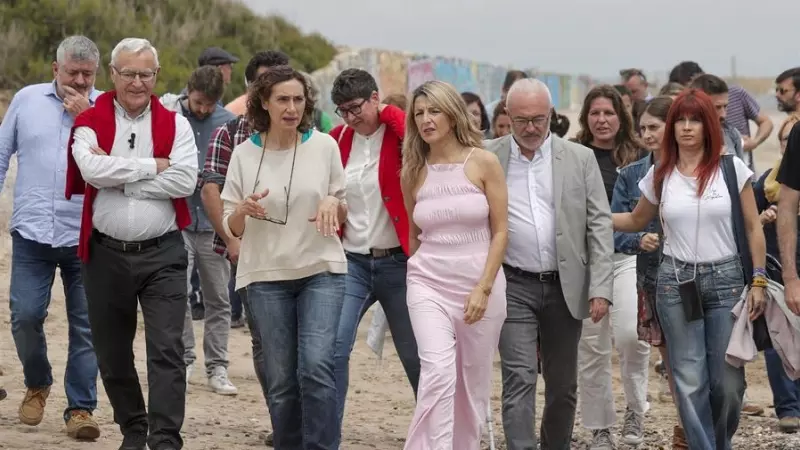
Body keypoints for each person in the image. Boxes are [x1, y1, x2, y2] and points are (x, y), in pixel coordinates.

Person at [613, 89, 767, 450]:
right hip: (674, 283)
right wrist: (594, 218)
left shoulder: (731, 168)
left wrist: (758, 279)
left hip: (727, 280)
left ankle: (717, 442)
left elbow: (752, 226)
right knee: (687, 378)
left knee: (728, 384)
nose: (685, 127)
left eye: (694, 119)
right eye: (679, 120)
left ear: (708, 125)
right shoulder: (659, 174)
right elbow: (637, 219)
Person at [66, 37, 198, 450]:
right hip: (104, 254)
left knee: (167, 350)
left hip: (163, 254)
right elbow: (89, 170)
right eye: (129, 73)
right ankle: (134, 428)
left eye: (146, 73)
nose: (138, 82)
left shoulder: (176, 123)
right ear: (113, 74)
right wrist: (149, 167)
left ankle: (164, 439)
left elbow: (185, 180)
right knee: (112, 353)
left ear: (156, 76)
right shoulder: (90, 119)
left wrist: (122, 180)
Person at [220, 65, 346, 449]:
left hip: (321, 270)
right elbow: (231, 227)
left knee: (316, 368)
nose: (292, 108)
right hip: (263, 277)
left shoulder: (325, 145)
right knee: (280, 381)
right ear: (264, 102)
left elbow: (342, 206)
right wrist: (242, 211)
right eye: (283, 100)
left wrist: (332, 202)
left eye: (298, 99)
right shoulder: (243, 154)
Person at [485, 78, 614, 450]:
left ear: (551, 116)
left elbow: (599, 224)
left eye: (538, 119)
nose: (530, 128)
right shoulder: (487, 156)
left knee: (562, 385)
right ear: (507, 115)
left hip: (565, 285)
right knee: (519, 376)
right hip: (512, 284)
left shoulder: (579, 158)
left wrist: (601, 287)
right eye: (522, 119)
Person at [0, 35, 102, 440]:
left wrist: (89, 116)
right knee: (24, 316)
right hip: (32, 233)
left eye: (87, 74)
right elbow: (1, 151)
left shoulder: (106, 108)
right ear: (54, 69)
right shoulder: (26, 100)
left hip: (87, 234)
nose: (79, 81)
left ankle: (80, 408)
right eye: (72, 72)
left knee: (87, 325)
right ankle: (38, 381)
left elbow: (115, 156)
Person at [400, 80, 508, 449]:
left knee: (472, 387)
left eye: (434, 111)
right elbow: (415, 236)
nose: (426, 120)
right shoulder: (413, 169)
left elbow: (501, 231)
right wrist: (416, 269)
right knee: (437, 373)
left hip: (480, 285)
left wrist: (484, 287)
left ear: (452, 114)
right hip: (428, 281)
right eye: (419, 114)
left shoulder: (483, 161)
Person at [202, 50, 289, 448]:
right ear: (251, 88)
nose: (275, 94)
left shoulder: (309, 139)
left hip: (300, 256)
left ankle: (299, 417)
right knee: (264, 340)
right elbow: (211, 188)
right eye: (264, 83)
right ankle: (283, 419)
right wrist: (232, 239)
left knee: (302, 342)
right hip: (251, 256)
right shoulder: (229, 133)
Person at [328, 68, 420, 444]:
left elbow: (414, 136)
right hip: (351, 261)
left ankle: (435, 431)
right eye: (342, 110)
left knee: (415, 355)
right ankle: (323, 433)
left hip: (398, 260)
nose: (350, 117)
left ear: (375, 99)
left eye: (356, 107)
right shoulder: (337, 140)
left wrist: (388, 114)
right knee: (333, 349)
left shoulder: (398, 135)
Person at [611, 95, 690, 448]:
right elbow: (617, 228)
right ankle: (687, 426)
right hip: (652, 276)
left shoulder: (696, 171)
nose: (646, 134)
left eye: (654, 127)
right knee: (671, 358)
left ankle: (697, 424)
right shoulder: (630, 176)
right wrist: (637, 239)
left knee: (695, 357)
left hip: (694, 274)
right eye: (641, 128)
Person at [575, 85, 650, 448]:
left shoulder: (639, 157)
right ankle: (600, 426)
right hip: (585, 261)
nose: (602, 120)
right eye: (595, 113)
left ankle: (636, 408)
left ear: (622, 117)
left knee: (630, 336)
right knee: (592, 348)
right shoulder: (573, 154)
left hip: (627, 256)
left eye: (609, 113)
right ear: (586, 118)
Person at [161, 66, 238, 396]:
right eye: (198, 102)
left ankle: (218, 367)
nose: (204, 109)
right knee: (178, 296)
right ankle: (186, 359)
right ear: (187, 91)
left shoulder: (227, 123)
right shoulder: (169, 116)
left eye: (210, 104)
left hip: (214, 223)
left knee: (219, 298)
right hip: (176, 220)